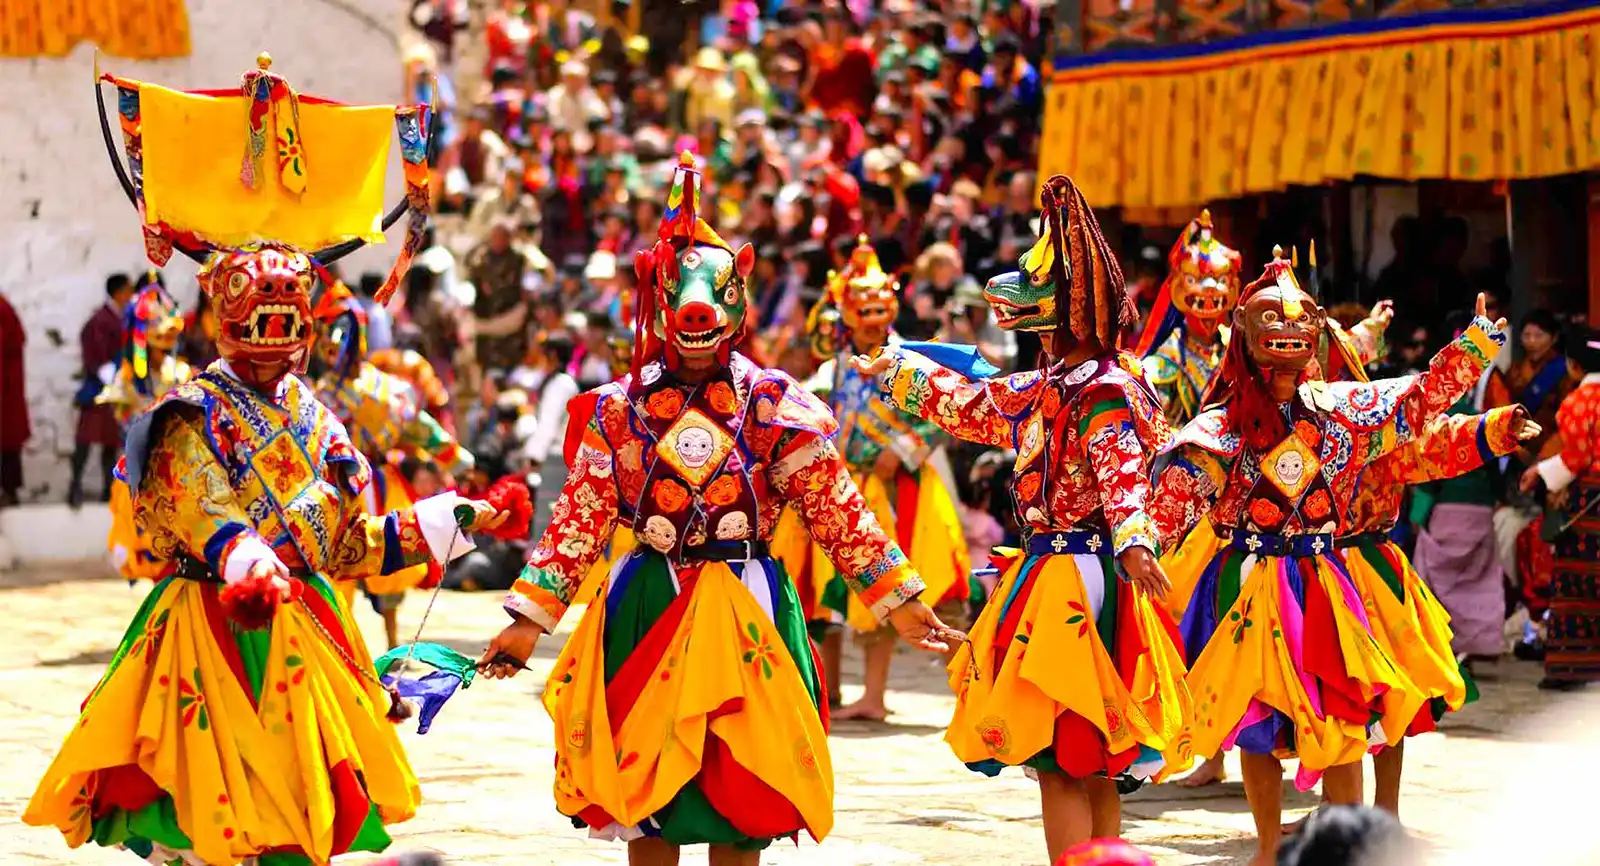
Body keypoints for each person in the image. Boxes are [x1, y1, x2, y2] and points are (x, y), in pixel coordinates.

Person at [26, 56, 504, 864]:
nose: (278, 341)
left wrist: (449, 521)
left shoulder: (313, 410)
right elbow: (208, 512)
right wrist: (251, 559)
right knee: (213, 824)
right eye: (263, 322)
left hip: (307, 628)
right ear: (226, 320)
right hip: (215, 622)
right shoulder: (188, 415)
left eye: (291, 323)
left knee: (295, 824)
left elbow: (346, 544)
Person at [477, 154, 954, 864]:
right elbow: (579, 517)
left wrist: (898, 599)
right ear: (658, 303)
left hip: (748, 599)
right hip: (649, 600)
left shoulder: (770, 401)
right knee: (651, 797)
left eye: (712, 300)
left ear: (738, 303)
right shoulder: (621, 407)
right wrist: (526, 622)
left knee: (741, 795)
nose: (696, 317)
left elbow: (835, 504)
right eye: (680, 300)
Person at [858, 176, 1189, 863]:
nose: (1012, 295)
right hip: (1061, 568)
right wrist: (898, 373)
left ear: (1073, 306)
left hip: (1077, 572)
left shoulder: (1101, 389)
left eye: (1036, 287)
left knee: (1064, 753)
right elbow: (974, 403)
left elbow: (1120, 466)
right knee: (1086, 749)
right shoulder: (1050, 386)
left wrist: (1132, 539)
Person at [1148, 244, 1505, 865]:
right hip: (1248, 578)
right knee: (1254, 723)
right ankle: (1266, 846)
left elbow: (1418, 402)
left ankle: (1351, 846)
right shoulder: (1216, 429)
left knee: (1342, 713)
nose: (1287, 354)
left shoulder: (1340, 414)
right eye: (1273, 340)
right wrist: (1138, 548)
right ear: (1246, 345)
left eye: (1297, 340)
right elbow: (1174, 498)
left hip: (1323, 577)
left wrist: (1473, 346)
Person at [773, 237, 970, 721]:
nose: (873, 316)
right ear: (845, 308)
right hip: (839, 482)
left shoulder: (910, 360)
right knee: (826, 591)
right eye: (862, 306)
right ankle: (831, 689)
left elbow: (943, 415)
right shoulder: (836, 363)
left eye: (880, 307)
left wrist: (900, 450)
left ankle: (875, 695)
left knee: (887, 582)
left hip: (898, 489)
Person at [310, 287, 474, 650]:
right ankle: (338, 643)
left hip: (378, 482)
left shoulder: (385, 388)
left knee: (390, 564)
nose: (331, 347)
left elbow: (419, 428)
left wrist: (453, 456)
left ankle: (393, 643)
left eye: (338, 335)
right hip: (334, 485)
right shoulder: (318, 393)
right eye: (325, 337)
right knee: (335, 572)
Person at [1413, 312, 1517, 669]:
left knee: (1431, 579)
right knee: (1480, 579)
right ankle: (1475, 644)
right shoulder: (1479, 415)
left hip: (1446, 508)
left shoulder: (1427, 413)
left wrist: (1415, 517)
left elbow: (1425, 472)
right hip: (1481, 506)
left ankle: (1440, 646)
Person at [99, 275, 195, 582]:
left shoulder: (180, 373)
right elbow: (126, 425)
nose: (162, 348)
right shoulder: (126, 379)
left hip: (181, 475)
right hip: (139, 476)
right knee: (149, 553)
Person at [1520, 328, 1600, 689]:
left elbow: (1577, 458)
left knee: (1576, 584)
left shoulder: (1580, 402)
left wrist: (1540, 472)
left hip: (1589, 503)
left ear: (1572, 366)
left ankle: (1572, 668)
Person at [69, 272, 133, 508]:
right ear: (118, 293)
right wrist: (106, 372)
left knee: (109, 442)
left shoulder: (120, 318)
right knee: (85, 442)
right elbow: (92, 351)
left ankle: (108, 488)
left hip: (116, 389)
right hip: (98, 388)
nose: (131, 295)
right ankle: (75, 485)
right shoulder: (100, 319)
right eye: (128, 290)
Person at [0, 286, 27, 507]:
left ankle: (9, 493)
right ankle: (10, 492)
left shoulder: (2, 311)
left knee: (6, 443)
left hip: (5, 391)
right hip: (9, 391)